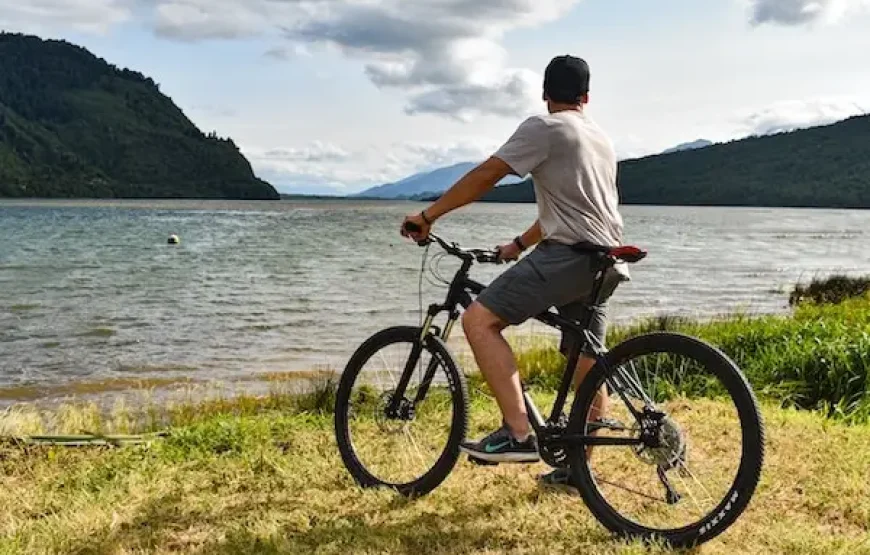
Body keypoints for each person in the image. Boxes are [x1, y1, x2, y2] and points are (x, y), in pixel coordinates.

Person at [400, 54, 628, 491]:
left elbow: (488, 174)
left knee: (478, 320)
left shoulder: (544, 128)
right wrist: (519, 246)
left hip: (568, 256)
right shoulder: (599, 138)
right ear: (586, 96)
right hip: (606, 259)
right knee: (586, 363)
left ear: (545, 94)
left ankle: (517, 433)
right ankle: (579, 472)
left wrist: (430, 215)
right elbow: (571, 207)